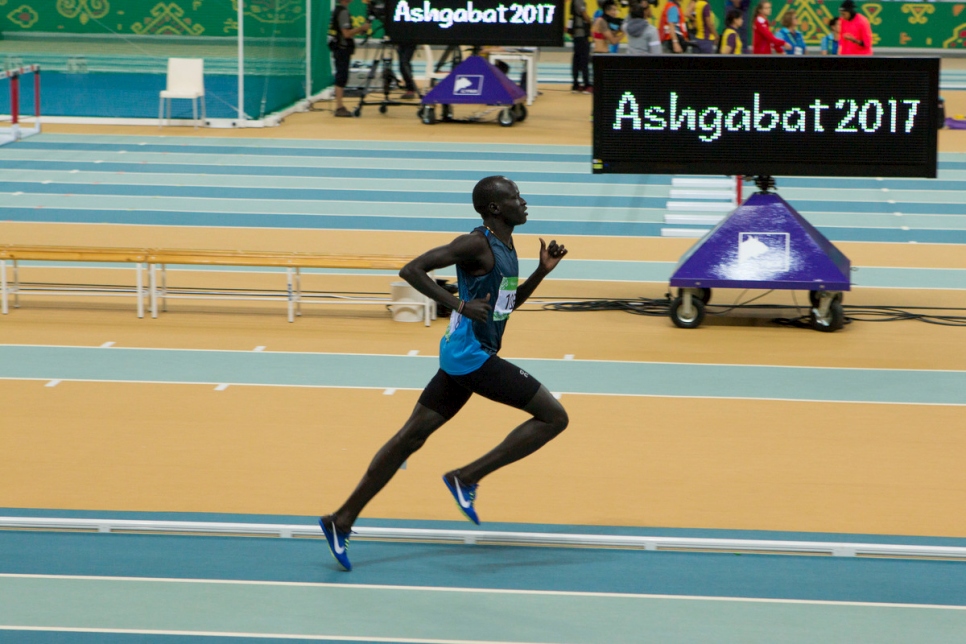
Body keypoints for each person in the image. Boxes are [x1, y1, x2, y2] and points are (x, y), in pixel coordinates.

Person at [318, 176, 570, 572]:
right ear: (495, 208)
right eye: (516, 198)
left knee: (410, 437)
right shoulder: (476, 244)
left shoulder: (506, 245)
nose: (525, 203)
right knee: (554, 417)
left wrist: (542, 272)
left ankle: (340, 519)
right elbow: (411, 270)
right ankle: (466, 477)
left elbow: (505, 306)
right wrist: (458, 304)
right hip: (472, 358)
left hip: (462, 354)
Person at [329, 0, 370, 117]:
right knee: (341, 76)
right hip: (342, 49)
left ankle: (339, 106)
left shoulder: (338, 10)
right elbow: (346, 34)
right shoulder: (343, 12)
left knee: (341, 76)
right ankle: (339, 107)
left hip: (340, 48)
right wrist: (362, 28)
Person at [570, 0, 592, 93]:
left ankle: (576, 84)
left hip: (577, 35)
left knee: (577, 58)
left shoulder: (574, 2)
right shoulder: (579, 1)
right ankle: (586, 84)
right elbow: (584, 15)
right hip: (581, 35)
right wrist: (591, 22)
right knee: (584, 59)